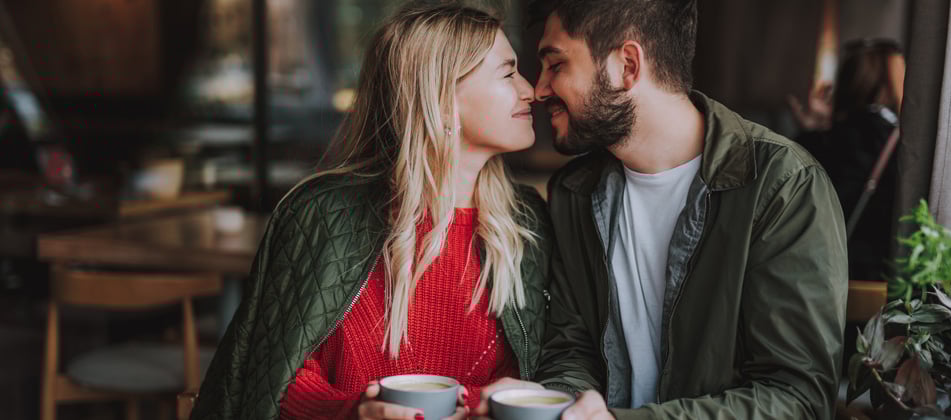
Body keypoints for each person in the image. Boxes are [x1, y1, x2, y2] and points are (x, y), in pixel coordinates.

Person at [473, 0, 849, 419]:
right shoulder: (574, 192)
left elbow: (797, 397)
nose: (540, 89)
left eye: (556, 65)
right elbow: (571, 349)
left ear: (627, 65)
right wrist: (560, 405)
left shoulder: (782, 186)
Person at [190, 3, 554, 420]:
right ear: (441, 97)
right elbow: (275, 381)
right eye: (508, 74)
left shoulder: (526, 222)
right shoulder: (324, 215)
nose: (532, 90)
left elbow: (540, 375)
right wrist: (355, 412)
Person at [795, 39, 905, 281]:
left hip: (820, 269)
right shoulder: (902, 142)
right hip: (881, 275)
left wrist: (811, 132)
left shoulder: (828, 139)